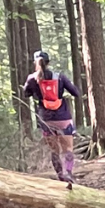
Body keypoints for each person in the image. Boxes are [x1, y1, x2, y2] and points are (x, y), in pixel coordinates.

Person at [20, 52, 82, 184]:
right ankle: (69, 173)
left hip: (46, 120)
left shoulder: (32, 78)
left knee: (54, 150)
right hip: (63, 118)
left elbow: (26, 93)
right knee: (68, 149)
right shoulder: (59, 77)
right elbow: (76, 93)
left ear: (35, 63)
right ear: (48, 62)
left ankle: (60, 177)